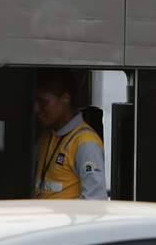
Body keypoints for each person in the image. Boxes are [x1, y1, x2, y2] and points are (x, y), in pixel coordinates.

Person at [32, 72, 106, 200]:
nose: (36, 109)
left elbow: (95, 200)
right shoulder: (46, 137)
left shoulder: (86, 143)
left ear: (65, 99)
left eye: (43, 102)